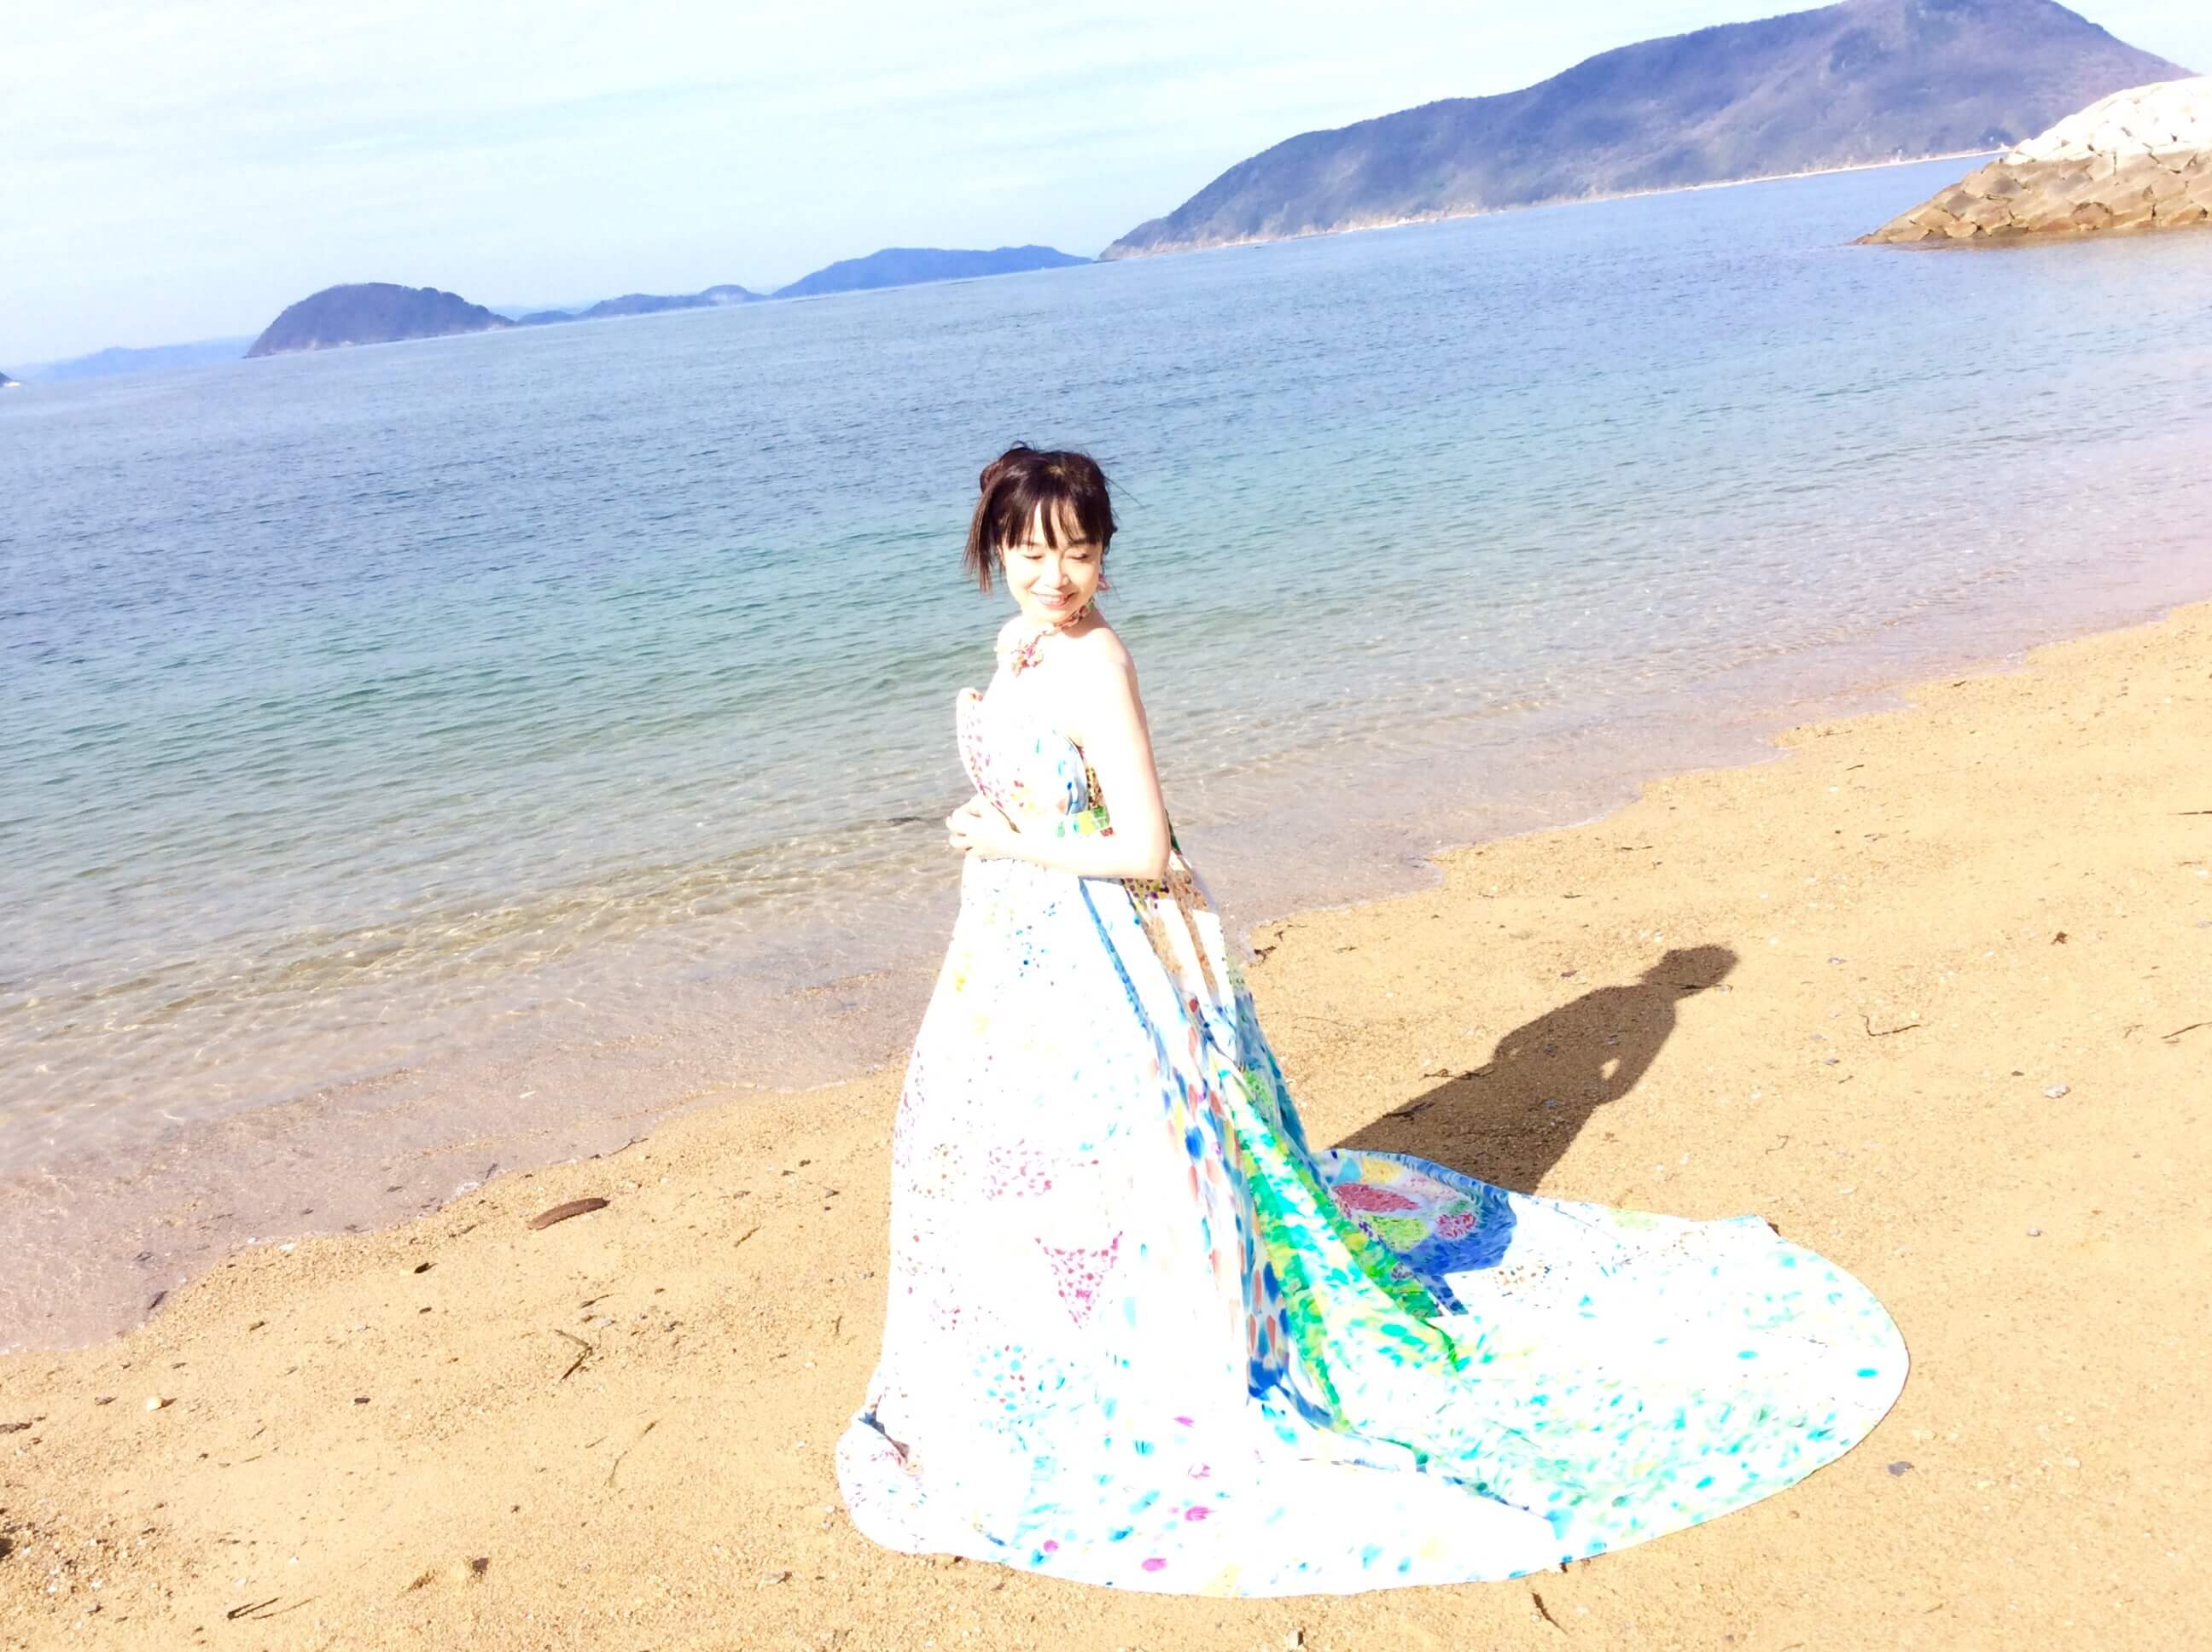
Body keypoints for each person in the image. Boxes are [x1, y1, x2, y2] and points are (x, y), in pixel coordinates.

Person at [835, 445, 1906, 1597]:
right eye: (1033, 552)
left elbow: (1141, 848)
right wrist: (1009, 771)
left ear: (1106, 555)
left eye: (1079, 553)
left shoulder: (1100, 662)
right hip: (1023, 943)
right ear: (996, 548)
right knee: (1039, 1155)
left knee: (1136, 1149)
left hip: (1100, 940)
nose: (1056, 576)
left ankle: (1164, 1341)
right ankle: (1061, 1337)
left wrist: (1010, 839)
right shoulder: (1030, 644)